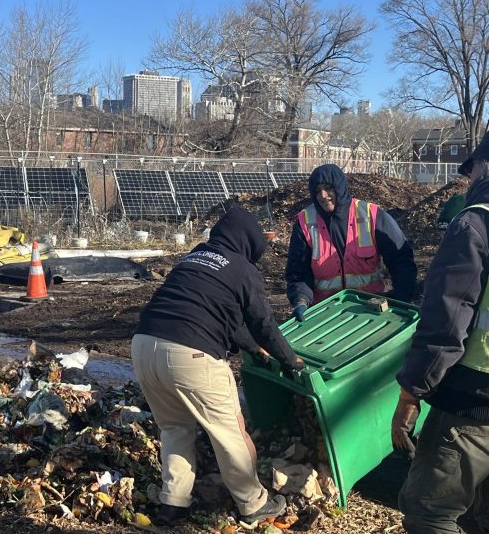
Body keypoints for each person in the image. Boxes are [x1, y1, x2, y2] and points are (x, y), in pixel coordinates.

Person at [130, 204, 303, 527]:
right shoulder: (242, 268)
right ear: (248, 244)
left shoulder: (196, 256)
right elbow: (262, 322)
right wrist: (289, 360)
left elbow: (228, 320)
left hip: (144, 345)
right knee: (227, 433)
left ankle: (173, 504)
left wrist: (255, 351)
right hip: (191, 355)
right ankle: (254, 503)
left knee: (175, 429)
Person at [393, 132, 489, 533]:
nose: (468, 182)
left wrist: (412, 391)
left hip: (471, 402)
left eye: (473, 171)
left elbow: (447, 320)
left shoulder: (476, 223)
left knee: (429, 511)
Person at [285, 164, 417, 321]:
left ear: (340, 188)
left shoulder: (371, 215)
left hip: (371, 309)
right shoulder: (305, 222)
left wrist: (401, 299)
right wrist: (301, 300)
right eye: (317, 191)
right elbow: (297, 272)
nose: (323, 195)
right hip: (324, 312)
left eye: (328, 188)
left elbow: (401, 261)